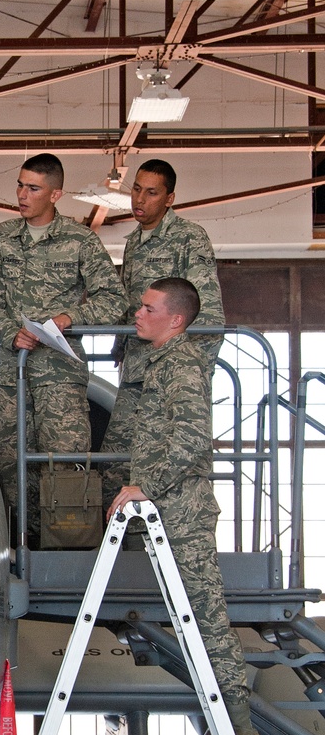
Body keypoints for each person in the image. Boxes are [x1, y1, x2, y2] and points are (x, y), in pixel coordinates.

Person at [107, 277, 267, 735]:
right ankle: (224, 730)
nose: (138, 312)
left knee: (206, 622)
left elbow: (194, 437)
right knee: (190, 623)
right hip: (168, 511)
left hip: (183, 511)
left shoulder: (180, 367)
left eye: (149, 307)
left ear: (175, 319)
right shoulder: (162, 364)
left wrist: (144, 485)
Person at [0, 153, 127, 527]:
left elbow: (114, 298)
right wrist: (11, 335)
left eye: (33, 188)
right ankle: (20, 550)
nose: (22, 195)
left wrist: (70, 318)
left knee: (66, 462)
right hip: (15, 374)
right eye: (20, 185)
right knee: (12, 463)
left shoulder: (80, 241)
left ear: (55, 194)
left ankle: (68, 549)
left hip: (60, 375)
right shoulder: (1, 239)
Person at [101, 159, 225, 508]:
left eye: (152, 192)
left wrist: (188, 372)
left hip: (170, 374)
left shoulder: (189, 238)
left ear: (169, 198)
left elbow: (209, 315)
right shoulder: (135, 242)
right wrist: (120, 346)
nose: (140, 198)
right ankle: (125, 553)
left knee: (172, 462)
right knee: (115, 465)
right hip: (137, 373)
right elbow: (133, 304)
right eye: (136, 189)